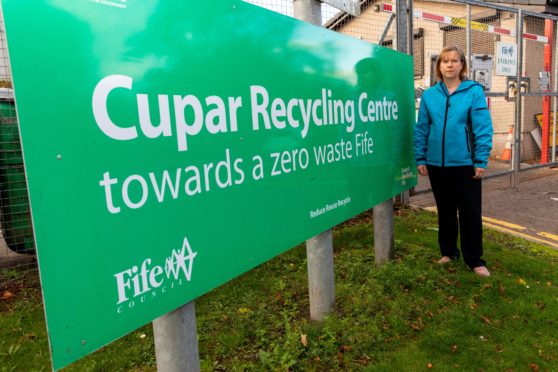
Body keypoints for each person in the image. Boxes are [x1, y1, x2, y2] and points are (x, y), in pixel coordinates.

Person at [414, 45, 493, 277]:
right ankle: (448, 252)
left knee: (469, 212)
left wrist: (481, 159)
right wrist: (421, 156)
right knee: (445, 211)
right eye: (444, 61)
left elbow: (483, 127)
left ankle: (475, 260)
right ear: (439, 66)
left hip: (466, 164)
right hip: (437, 165)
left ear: (462, 65)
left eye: (454, 61)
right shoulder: (429, 95)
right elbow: (422, 129)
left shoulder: (473, 92)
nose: (449, 65)